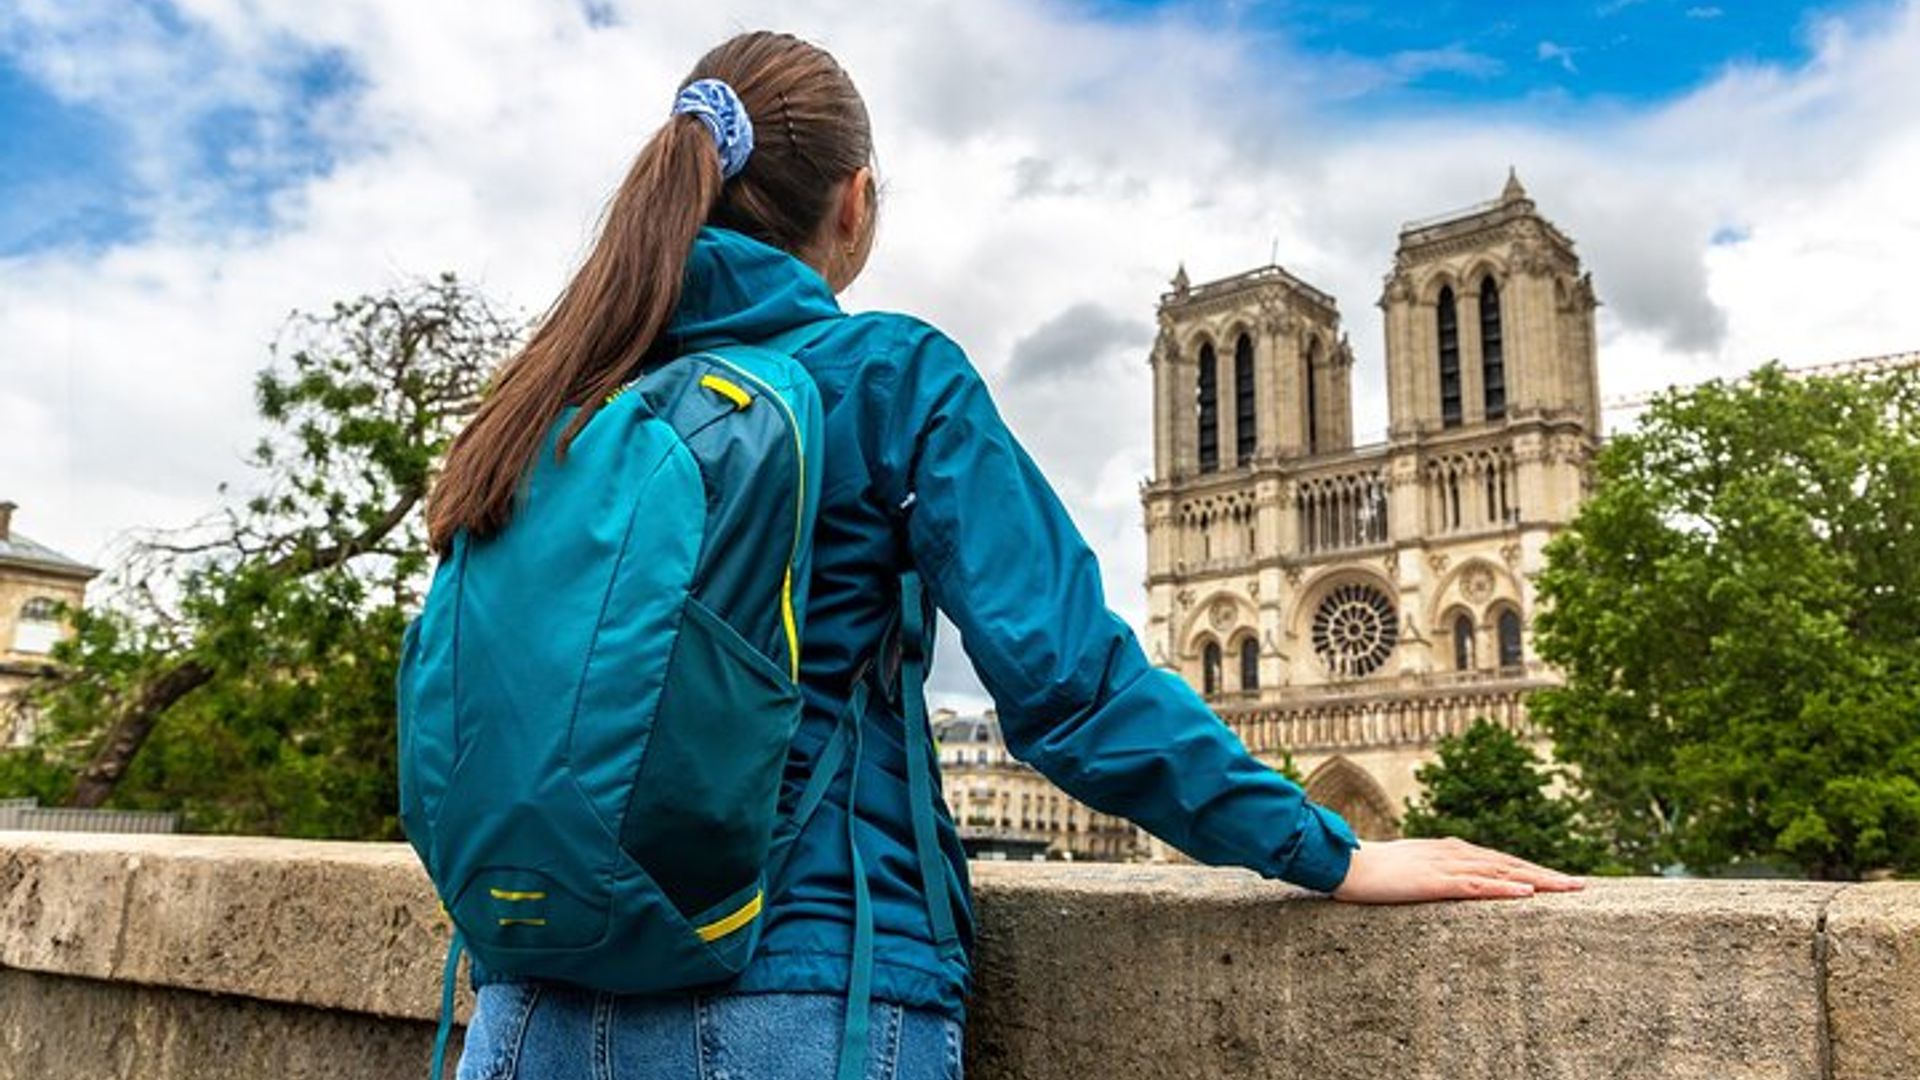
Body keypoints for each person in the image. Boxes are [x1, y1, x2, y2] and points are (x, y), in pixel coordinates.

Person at [425, 29, 1583, 1080]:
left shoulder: (552, 402)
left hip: (525, 1009)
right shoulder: (888, 376)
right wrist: (1329, 853)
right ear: (856, 204)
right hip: (800, 995)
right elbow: (1071, 688)